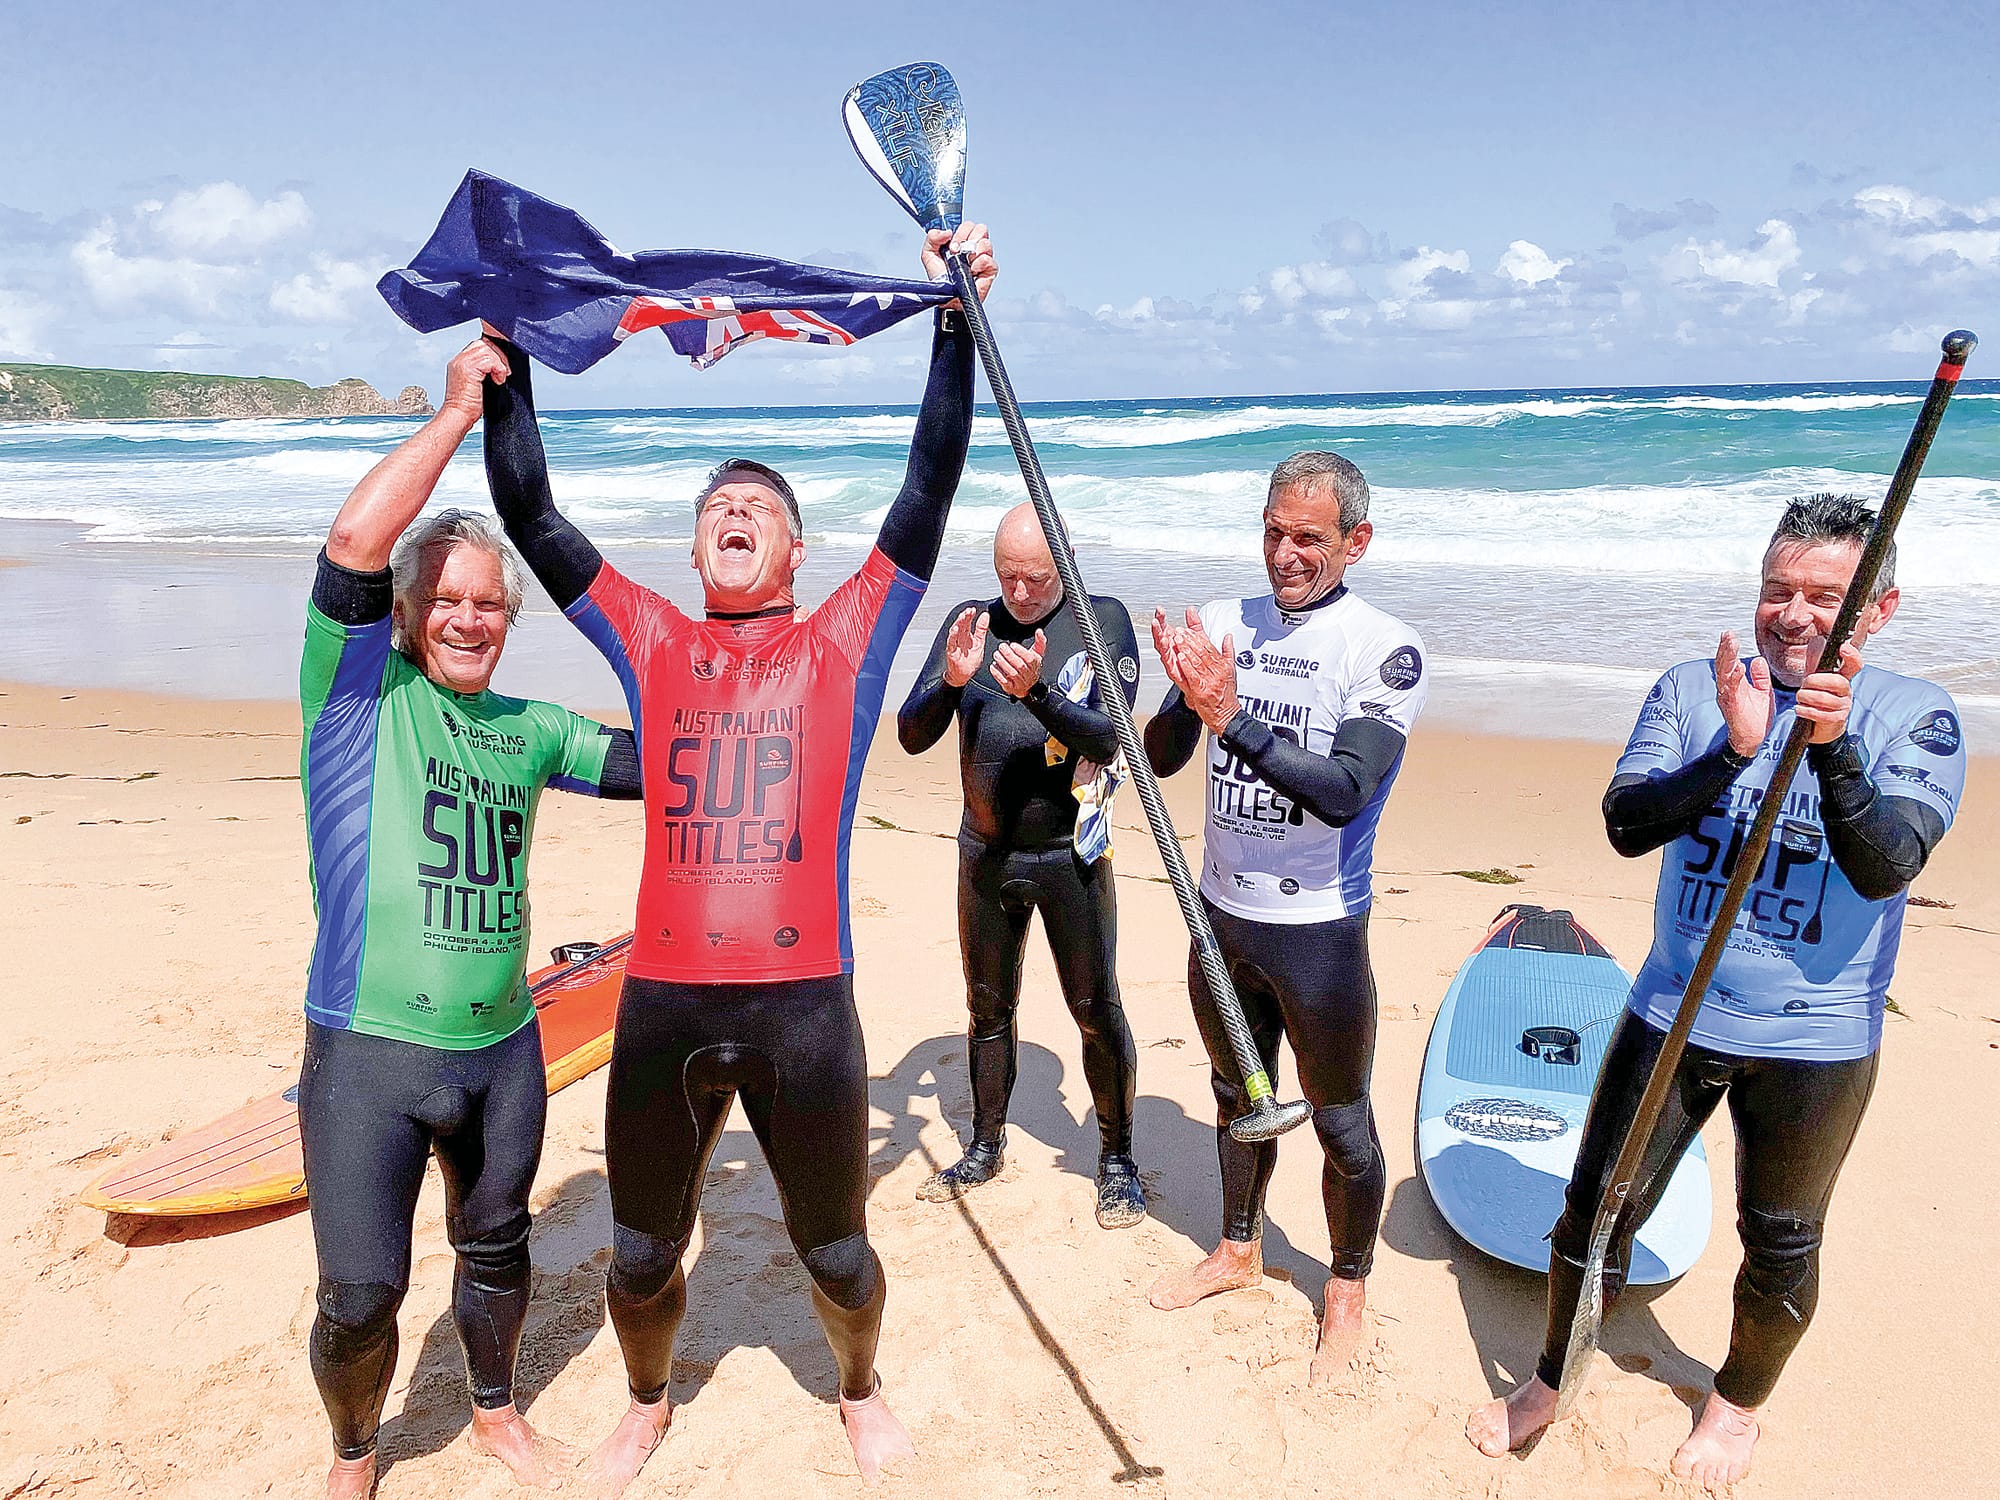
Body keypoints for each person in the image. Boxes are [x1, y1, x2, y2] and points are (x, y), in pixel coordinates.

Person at [480, 223, 996, 1493]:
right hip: (660, 999)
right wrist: (514, 360)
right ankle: (649, 1399)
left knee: (834, 1256)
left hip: (803, 1005)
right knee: (643, 1256)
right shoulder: (650, 640)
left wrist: (950, 329)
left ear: (795, 552)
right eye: (716, 506)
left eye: (758, 508)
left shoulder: (845, 641)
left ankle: (858, 1388)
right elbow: (532, 517)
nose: (732, 514)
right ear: (696, 545)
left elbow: (923, 493)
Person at [1466, 493, 1965, 1484]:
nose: (1792, 614)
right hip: (1669, 1012)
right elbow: (1626, 822)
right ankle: (1551, 1380)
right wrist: (1732, 751)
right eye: (1776, 589)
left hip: (1813, 1040)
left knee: (1778, 1239)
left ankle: (1732, 1409)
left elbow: (1884, 862)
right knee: (1595, 1210)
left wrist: (1832, 753)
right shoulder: (1695, 692)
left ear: (1878, 608)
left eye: (1824, 596)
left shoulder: (1916, 715)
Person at [298, 338, 643, 1499]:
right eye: (444, 601)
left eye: (488, 605)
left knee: (498, 1246)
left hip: (503, 1051)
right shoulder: (356, 700)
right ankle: (356, 1453)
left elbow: (657, 762)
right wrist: (455, 413)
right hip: (369, 1056)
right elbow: (352, 544)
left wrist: (750, 676)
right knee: (359, 1296)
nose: (467, 620)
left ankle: (493, 1410)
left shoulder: (530, 728)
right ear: (403, 615)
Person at [1142, 450, 1426, 1386]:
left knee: (1343, 1126)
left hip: (1319, 934)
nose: (1285, 553)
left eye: (1308, 537)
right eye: (1272, 530)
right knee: (1234, 1097)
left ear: (1356, 542)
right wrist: (1186, 699)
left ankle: (1345, 1286)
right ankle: (1238, 1248)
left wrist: (1234, 717)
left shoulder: (1383, 649)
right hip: (1220, 916)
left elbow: (1344, 791)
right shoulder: (1227, 622)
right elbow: (1164, 754)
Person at [896, 502, 1145, 1227]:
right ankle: (985, 1143)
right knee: (986, 1007)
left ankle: (1117, 1157)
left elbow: (1112, 736)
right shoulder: (972, 621)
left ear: (1064, 560)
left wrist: (1035, 692)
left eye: (1036, 578)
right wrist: (947, 681)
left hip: (1070, 856)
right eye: (1008, 576)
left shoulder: (1100, 621)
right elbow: (912, 736)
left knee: (1096, 1010)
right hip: (985, 853)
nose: (1022, 592)